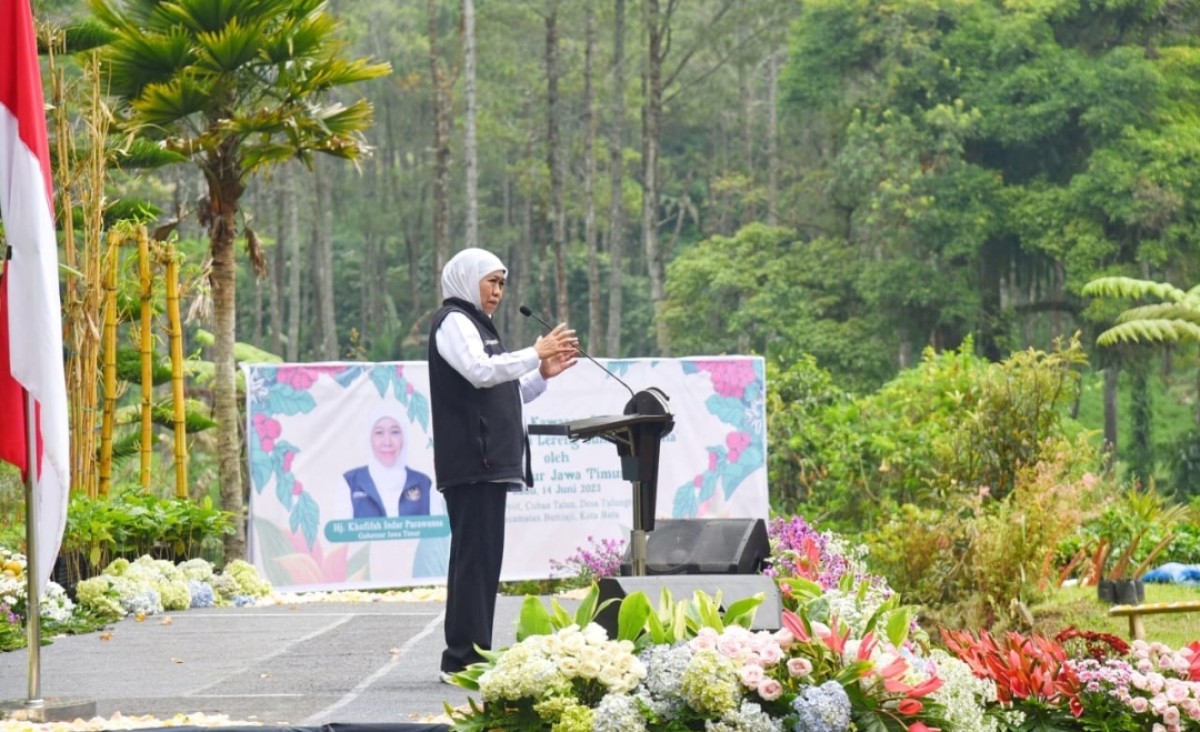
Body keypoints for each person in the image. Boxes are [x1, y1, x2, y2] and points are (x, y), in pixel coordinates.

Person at [429, 247, 577, 681]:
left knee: (482, 561)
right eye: (491, 281)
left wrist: (541, 373)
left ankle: (473, 654)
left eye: (502, 284)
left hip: (489, 464)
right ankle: (461, 660)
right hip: (474, 462)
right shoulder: (454, 321)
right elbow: (479, 372)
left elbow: (503, 392)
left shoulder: (481, 327)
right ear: (466, 279)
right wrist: (532, 353)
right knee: (474, 562)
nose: (498, 291)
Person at [343, 406, 433, 518]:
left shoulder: (423, 482)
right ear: (369, 437)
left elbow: (438, 532)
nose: (387, 442)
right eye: (379, 432)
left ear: (404, 436)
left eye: (394, 432)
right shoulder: (350, 482)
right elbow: (341, 532)